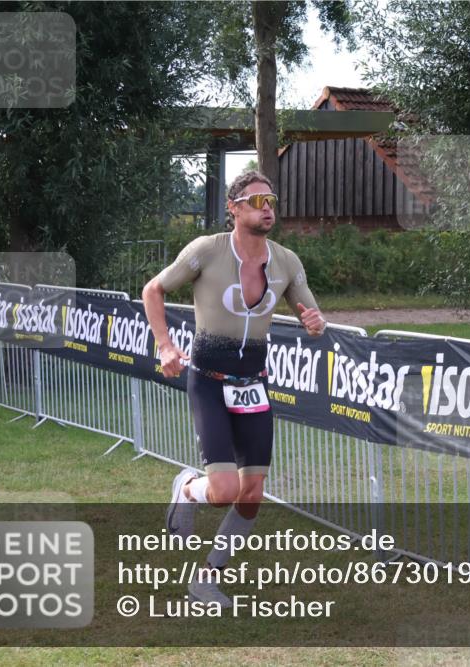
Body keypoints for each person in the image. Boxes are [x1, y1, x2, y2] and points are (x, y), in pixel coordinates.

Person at [142, 170, 326, 606]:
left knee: (252, 494)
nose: (268, 208)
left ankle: (207, 577)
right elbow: (154, 289)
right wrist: (165, 344)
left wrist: (316, 323)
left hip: (253, 386)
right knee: (223, 490)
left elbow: (312, 315)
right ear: (235, 207)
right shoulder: (206, 250)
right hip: (208, 381)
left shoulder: (286, 261)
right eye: (258, 200)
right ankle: (187, 487)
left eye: (272, 200)